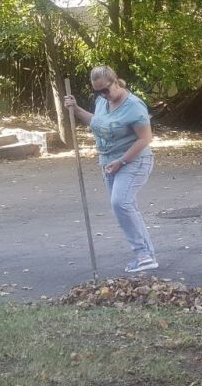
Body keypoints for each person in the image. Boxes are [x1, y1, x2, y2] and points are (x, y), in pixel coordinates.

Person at [64, 66, 157, 273]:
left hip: (134, 161)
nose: (103, 95)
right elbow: (97, 123)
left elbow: (145, 139)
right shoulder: (102, 102)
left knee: (120, 203)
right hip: (109, 163)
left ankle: (143, 254)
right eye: (97, 92)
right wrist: (76, 109)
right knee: (125, 207)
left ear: (116, 82)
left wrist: (122, 162)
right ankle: (146, 255)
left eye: (105, 90)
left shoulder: (134, 106)